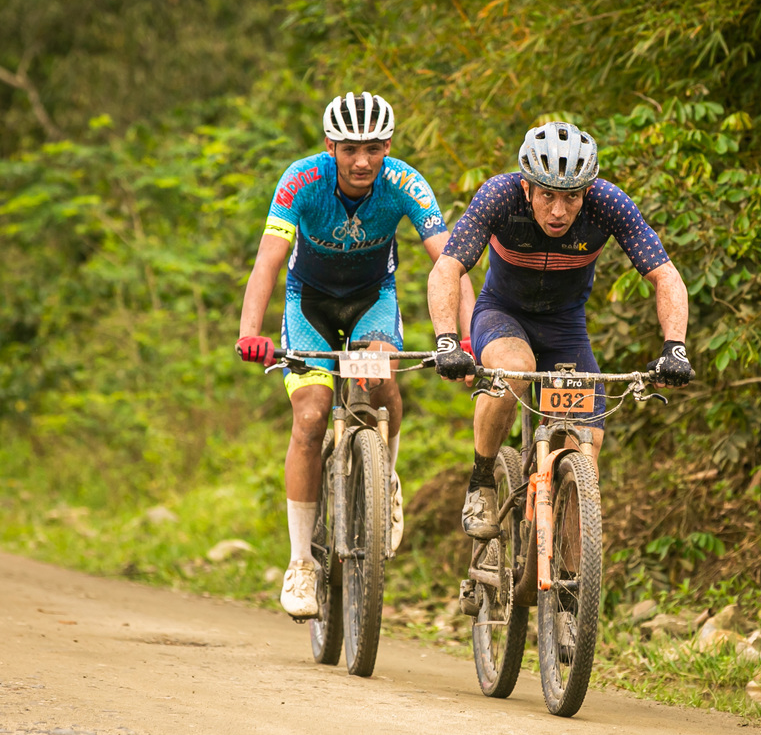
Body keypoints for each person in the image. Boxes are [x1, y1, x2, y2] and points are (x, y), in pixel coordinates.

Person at [236, 91, 474, 617]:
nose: (362, 161)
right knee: (311, 415)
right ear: (330, 147)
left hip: (372, 301)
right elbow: (268, 260)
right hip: (309, 304)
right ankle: (301, 563)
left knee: (381, 378)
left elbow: (450, 263)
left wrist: (468, 337)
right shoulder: (301, 179)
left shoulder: (405, 182)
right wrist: (250, 331)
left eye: (373, 148)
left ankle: (383, 478)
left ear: (388, 146)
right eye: (350, 149)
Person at [427, 121, 694, 541]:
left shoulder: (609, 204)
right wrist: (447, 340)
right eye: (547, 195)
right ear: (527, 188)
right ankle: (481, 482)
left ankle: (569, 573)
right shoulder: (499, 196)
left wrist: (674, 347)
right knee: (515, 370)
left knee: (584, 448)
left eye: (571, 197)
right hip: (502, 314)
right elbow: (448, 267)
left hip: (566, 327)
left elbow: (665, 275)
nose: (558, 211)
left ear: (587, 191)